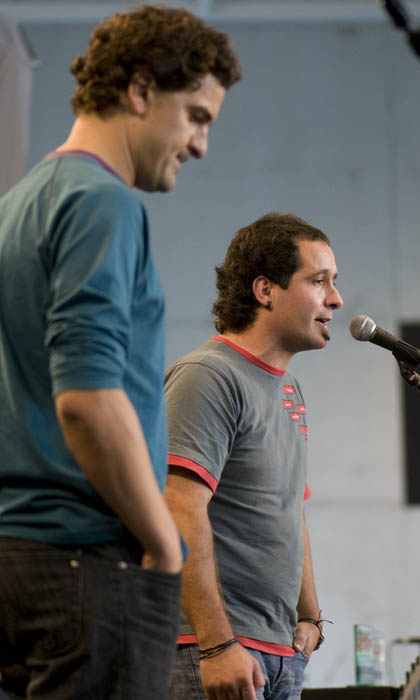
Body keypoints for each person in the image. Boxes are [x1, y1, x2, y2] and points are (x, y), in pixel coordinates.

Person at [0, 5, 240, 699]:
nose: (201, 145)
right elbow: (88, 400)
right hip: (87, 560)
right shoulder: (102, 203)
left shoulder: (19, 204)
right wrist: (164, 541)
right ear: (139, 90)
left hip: (21, 559)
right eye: (196, 116)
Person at [164, 212, 344, 700]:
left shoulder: (290, 387)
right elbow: (179, 507)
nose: (335, 299)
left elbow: (290, 510)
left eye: (334, 282)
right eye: (319, 281)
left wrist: (311, 618)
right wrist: (217, 645)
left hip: (280, 655)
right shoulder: (208, 376)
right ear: (265, 290)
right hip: (212, 652)